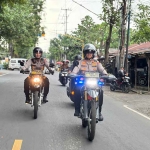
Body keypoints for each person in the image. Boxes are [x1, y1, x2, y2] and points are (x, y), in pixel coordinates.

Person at [71, 43, 107, 121]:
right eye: (87, 52)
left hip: (94, 82)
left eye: (91, 53)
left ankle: (99, 112)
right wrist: (73, 74)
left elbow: (102, 69)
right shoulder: (81, 62)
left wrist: (105, 74)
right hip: (84, 82)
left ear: (93, 54)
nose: (89, 54)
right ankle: (77, 109)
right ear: (85, 53)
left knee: (100, 92)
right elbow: (76, 69)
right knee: (77, 90)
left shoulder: (96, 62)